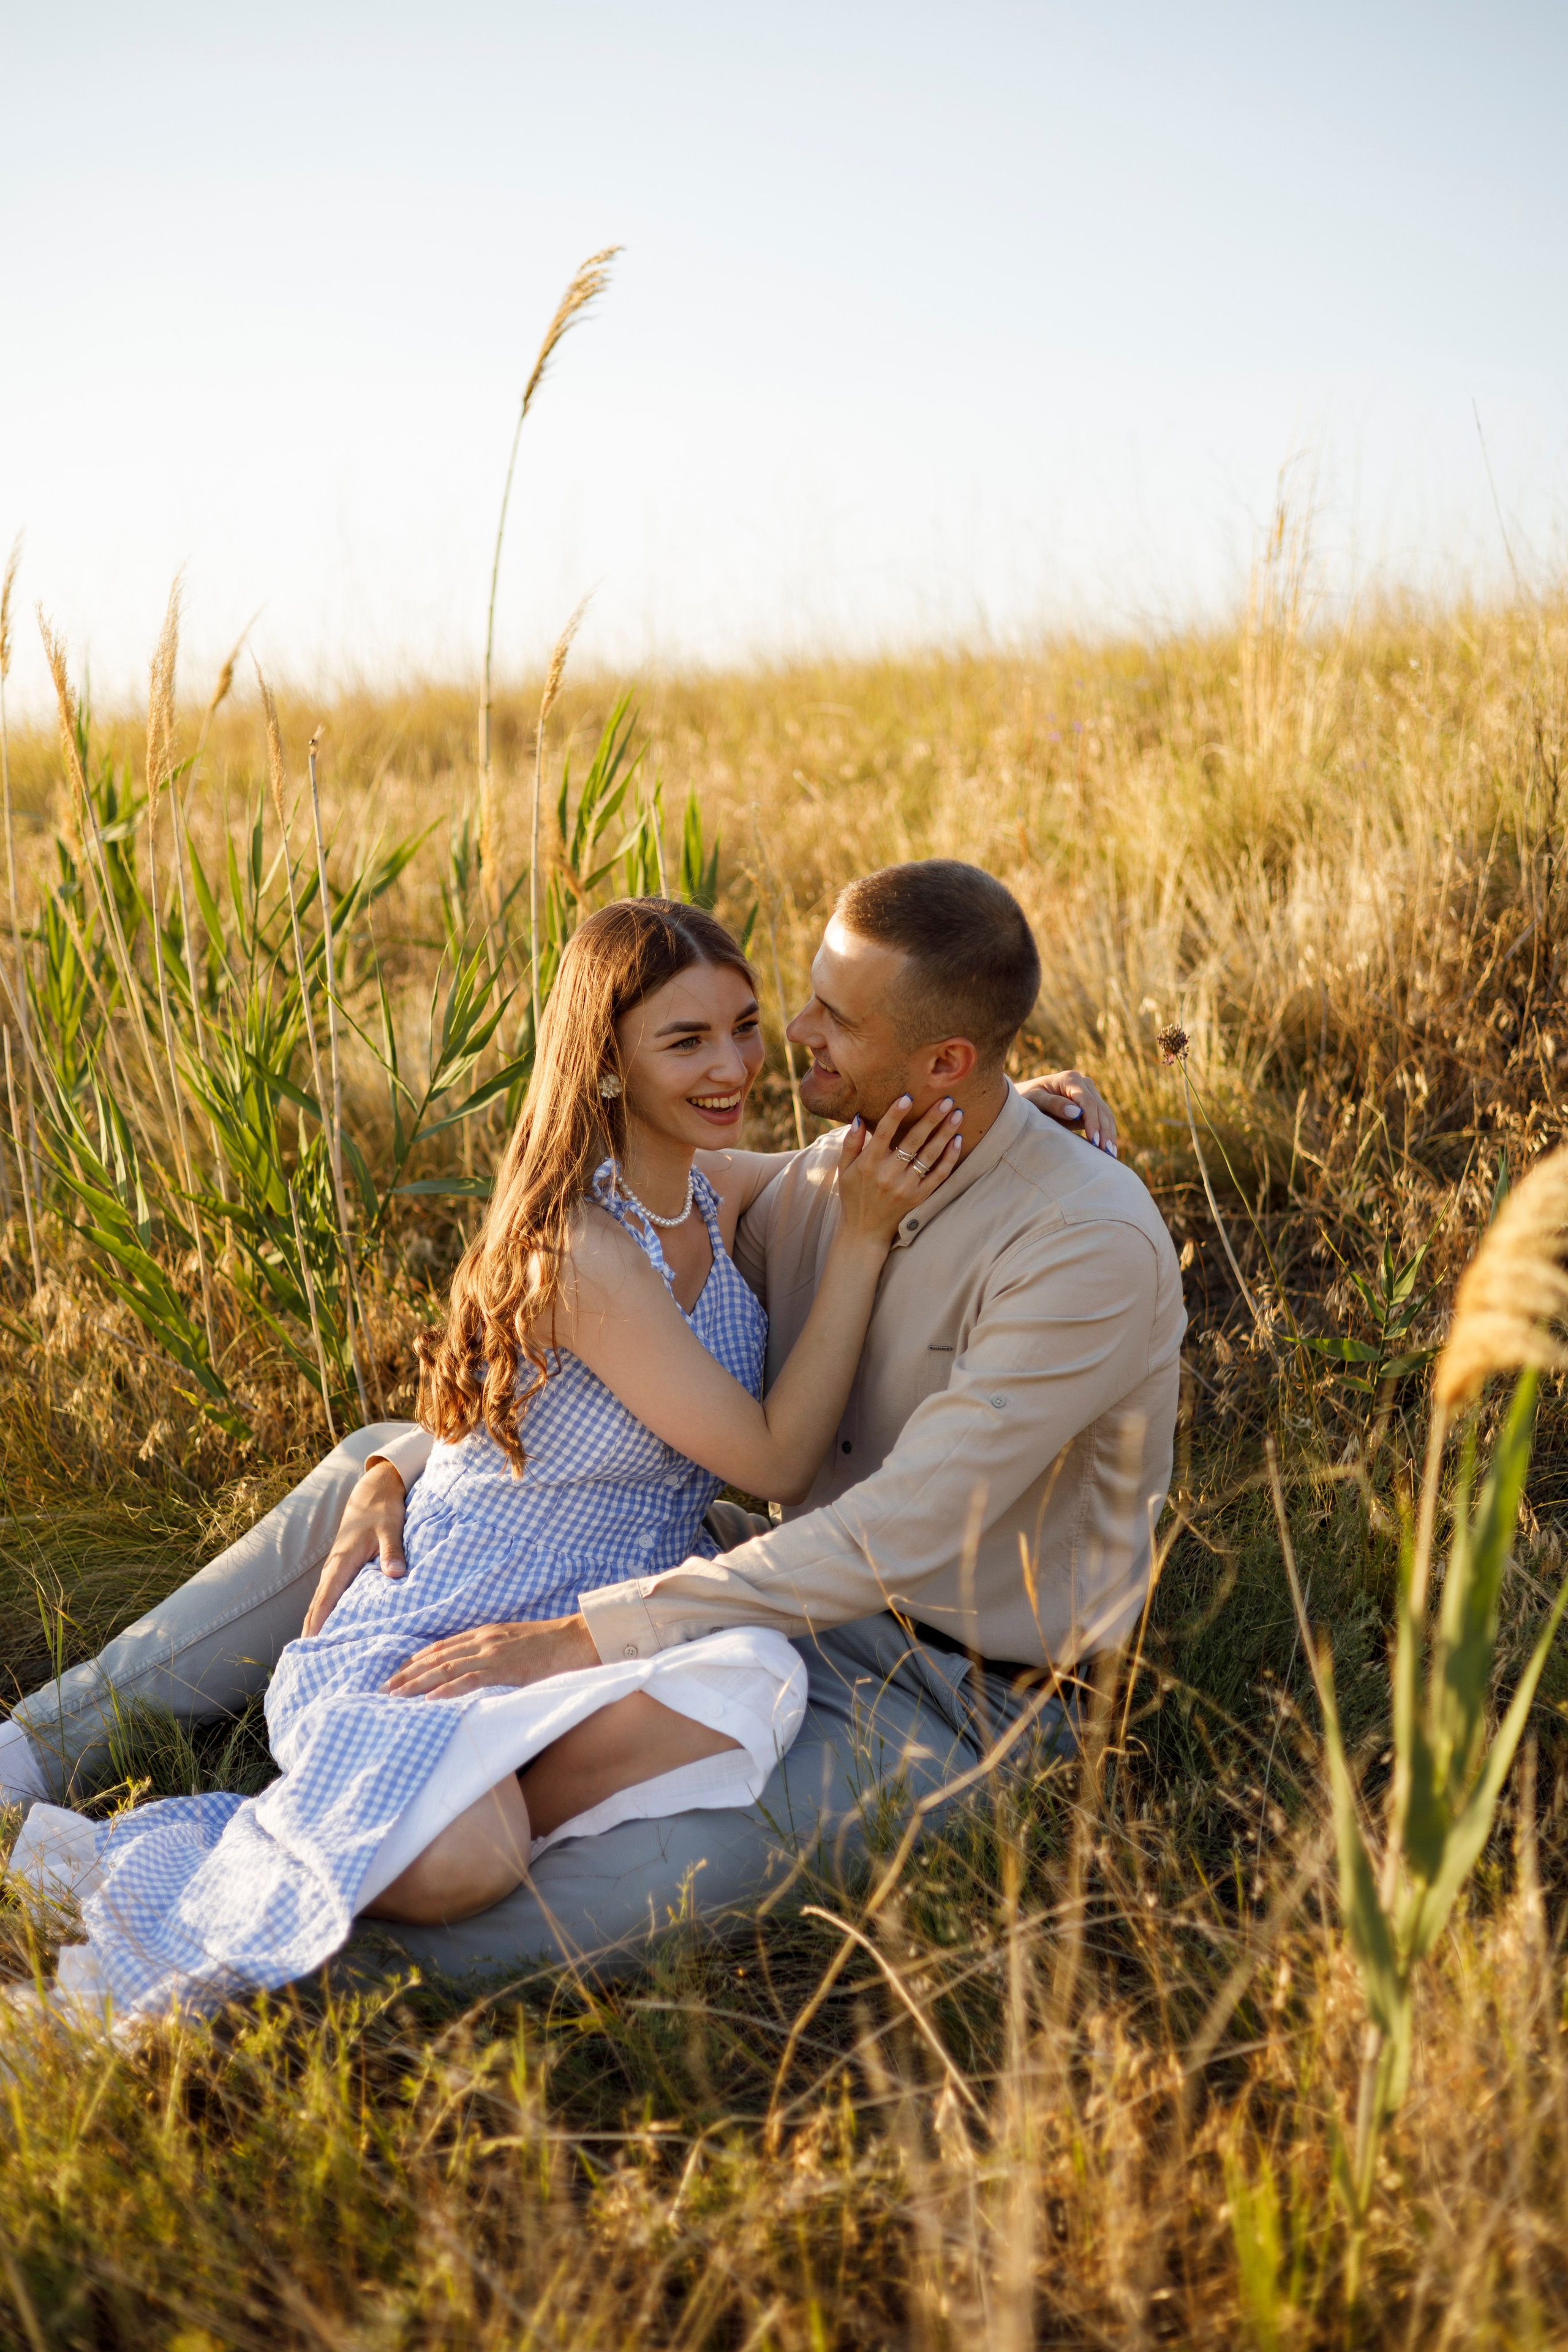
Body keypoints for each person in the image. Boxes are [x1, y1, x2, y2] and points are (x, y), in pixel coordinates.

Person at [4, 859, 1182, 1992]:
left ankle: (163, 1963)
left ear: (944, 1059)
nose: (796, 1040)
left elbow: (897, 1527)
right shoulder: (842, 1172)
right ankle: (38, 1751)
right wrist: (393, 1461)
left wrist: (585, 1636)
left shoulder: (1082, 1245)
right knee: (379, 1480)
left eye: (825, 1017)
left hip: (952, 1688)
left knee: (614, 1903)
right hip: (743, 1577)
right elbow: (581, 1346)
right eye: (804, 1006)